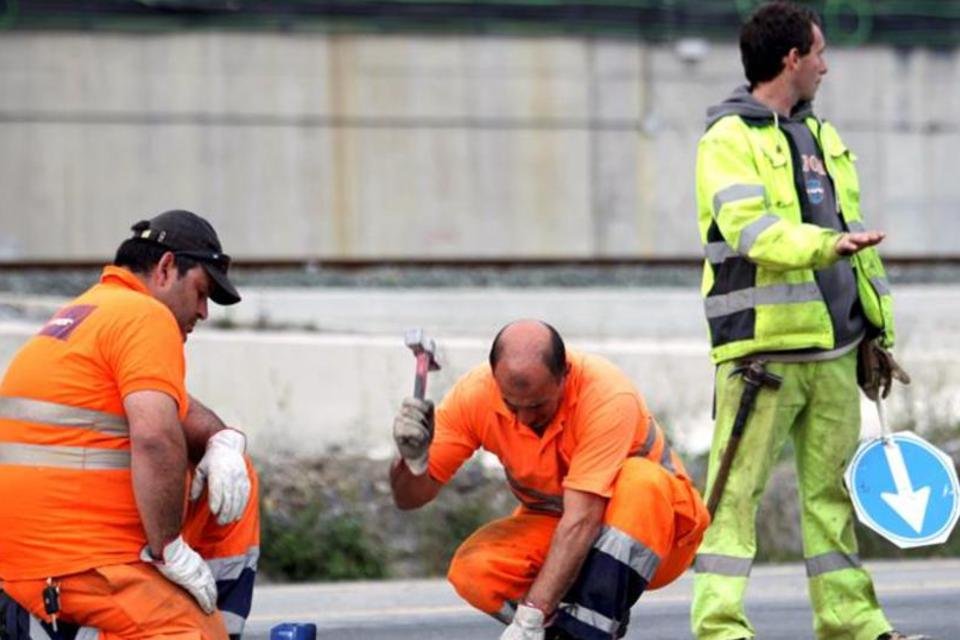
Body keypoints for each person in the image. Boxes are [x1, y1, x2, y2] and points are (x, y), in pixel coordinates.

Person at [691, 3, 919, 639]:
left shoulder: (822, 136)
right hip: (762, 356)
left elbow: (851, 236)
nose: (826, 64)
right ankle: (720, 630)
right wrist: (823, 249)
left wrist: (873, 331)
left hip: (834, 353)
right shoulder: (727, 141)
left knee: (833, 503)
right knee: (733, 503)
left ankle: (854, 626)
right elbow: (751, 232)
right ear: (790, 59)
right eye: (817, 52)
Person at [0, 210, 260, 640]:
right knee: (191, 634)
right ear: (165, 268)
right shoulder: (145, 317)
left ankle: (201, 613)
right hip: (74, 561)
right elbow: (157, 437)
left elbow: (183, 414)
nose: (203, 311)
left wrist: (224, 441)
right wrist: (169, 551)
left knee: (233, 472)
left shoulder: (91, 312)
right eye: (201, 292)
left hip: (37, 554)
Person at [390, 319, 710, 640]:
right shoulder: (474, 395)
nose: (524, 418)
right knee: (474, 570)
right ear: (494, 379)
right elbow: (409, 498)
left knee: (639, 480)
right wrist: (412, 461)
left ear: (564, 375)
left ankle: (583, 633)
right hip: (564, 529)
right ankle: (559, 631)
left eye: (537, 405)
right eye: (511, 405)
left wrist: (530, 616)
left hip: (658, 536)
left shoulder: (606, 395)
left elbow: (583, 520)